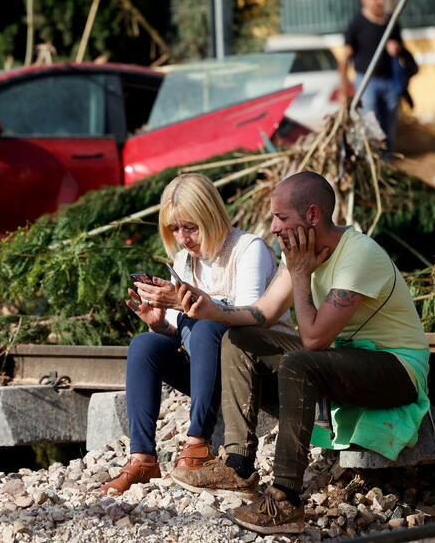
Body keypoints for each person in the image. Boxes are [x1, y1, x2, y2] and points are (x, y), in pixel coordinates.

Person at [170, 171, 430, 536]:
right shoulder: (300, 253)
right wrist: (208, 308)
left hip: (396, 368)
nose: (273, 228)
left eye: (281, 218)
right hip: (344, 358)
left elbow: (313, 341)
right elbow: (262, 314)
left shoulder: (358, 255)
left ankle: (285, 500)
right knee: (240, 339)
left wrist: (301, 275)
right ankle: (238, 465)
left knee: (298, 362)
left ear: (312, 215)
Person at [98, 173, 294, 495]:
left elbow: (250, 319)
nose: (183, 238)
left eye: (190, 227)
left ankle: (197, 444)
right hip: (212, 369)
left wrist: (190, 304)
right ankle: (143, 457)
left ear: (211, 216)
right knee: (145, 344)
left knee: (207, 326)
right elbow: (183, 334)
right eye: (175, 229)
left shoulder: (249, 249)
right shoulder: (184, 261)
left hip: (258, 370)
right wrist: (160, 323)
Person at [339, 0, 404, 153]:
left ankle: (389, 160)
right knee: (371, 123)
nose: (380, 2)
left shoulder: (391, 22)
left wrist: (396, 48)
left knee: (389, 124)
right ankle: (374, 160)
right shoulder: (356, 25)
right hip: (367, 83)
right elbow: (344, 57)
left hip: (389, 81)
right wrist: (344, 88)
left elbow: (402, 49)